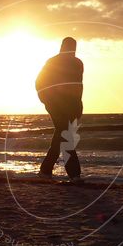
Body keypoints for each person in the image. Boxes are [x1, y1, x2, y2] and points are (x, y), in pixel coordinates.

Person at [35, 37, 83, 181]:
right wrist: (48, 102)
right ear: (63, 47)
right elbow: (39, 83)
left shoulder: (77, 63)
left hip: (72, 106)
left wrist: (78, 105)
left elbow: (78, 85)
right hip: (57, 105)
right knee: (65, 136)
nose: (71, 50)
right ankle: (73, 174)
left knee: (62, 137)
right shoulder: (53, 62)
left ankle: (46, 170)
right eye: (69, 47)